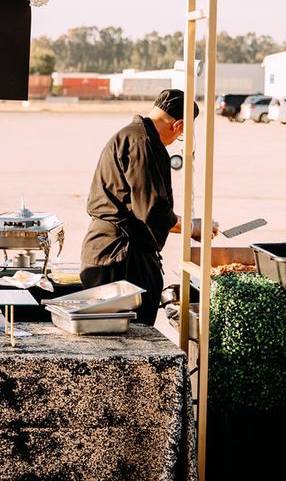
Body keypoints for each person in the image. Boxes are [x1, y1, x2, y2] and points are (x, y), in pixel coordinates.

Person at [80, 89, 218, 326]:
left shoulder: (130, 135)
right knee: (130, 342)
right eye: (182, 133)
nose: (177, 139)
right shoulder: (144, 143)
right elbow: (152, 211)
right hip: (121, 259)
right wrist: (192, 227)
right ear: (179, 125)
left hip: (107, 251)